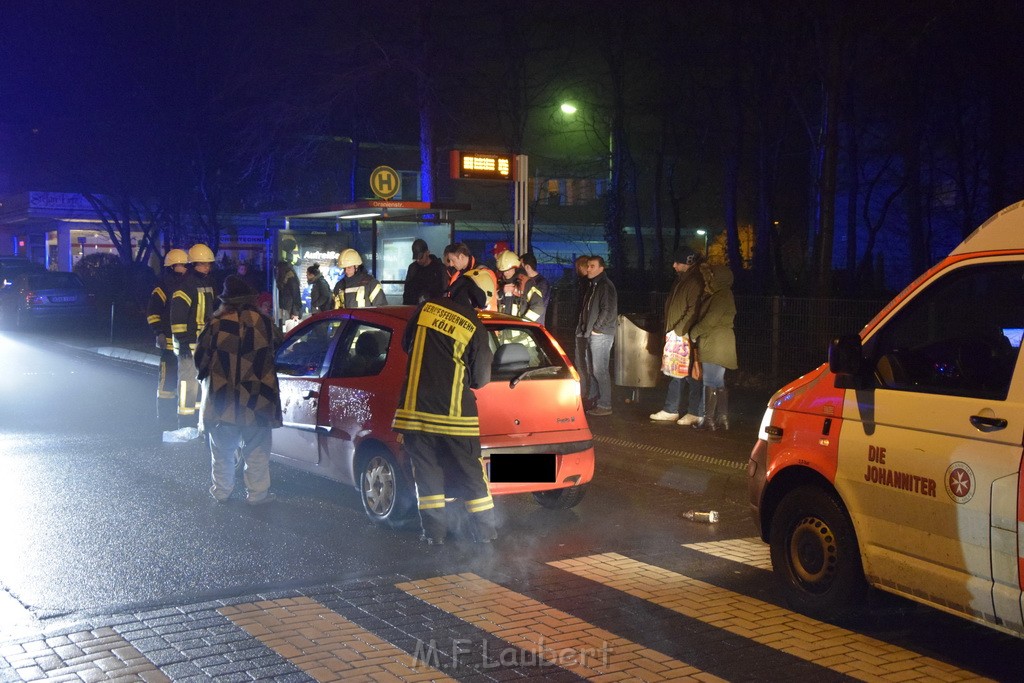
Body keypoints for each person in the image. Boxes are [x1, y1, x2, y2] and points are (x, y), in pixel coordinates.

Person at [393, 269, 496, 545]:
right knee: (472, 474)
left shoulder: (426, 308)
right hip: (455, 418)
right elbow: (481, 379)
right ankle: (485, 534)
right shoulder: (473, 324)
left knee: (426, 476)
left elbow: (406, 345)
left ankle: (434, 534)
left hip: (415, 413)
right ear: (478, 298)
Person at [194, 276, 282, 505]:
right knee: (257, 449)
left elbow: (200, 360)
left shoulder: (215, 324)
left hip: (223, 398)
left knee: (222, 451)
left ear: (226, 300)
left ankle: (222, 491)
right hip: (258, 397)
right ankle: (257, 494)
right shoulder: (264, 322)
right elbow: (278, 350)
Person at [649, 246, 707, 426]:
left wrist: (678, 330)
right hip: (679, 333)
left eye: (678, 262)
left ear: (688, 262)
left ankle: (685, 411)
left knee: (687, 375)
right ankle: (677, 410)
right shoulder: (684, 280)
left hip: (683, 335)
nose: (674, 265)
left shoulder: (693, 282)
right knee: (679, 373)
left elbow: (692, 310)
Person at [170, 243, 217, 430]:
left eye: (209, 264)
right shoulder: (185, 286)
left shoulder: (207, 284)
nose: (208, 267)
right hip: (188, 344)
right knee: (188, 384)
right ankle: (185, 419)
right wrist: (182, 341)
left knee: (202, 383)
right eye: (204, 264)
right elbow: (178, 316)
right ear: (194, 264)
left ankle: (199, 418)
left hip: (204, 343)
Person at [689, 262, 738, 431]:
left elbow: (710, 320)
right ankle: (722, 418)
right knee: (718, 381)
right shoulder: (725, 294)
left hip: (714, 343)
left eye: (710, 278)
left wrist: (694, 332)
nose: (707, 281)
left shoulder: (721, 296)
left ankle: (708, 419)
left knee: (710, 381)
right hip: (722, 343)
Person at [147, 248, 189, 432]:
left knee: (187, 381)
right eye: (180, 265)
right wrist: (159, 332)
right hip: (169, 343)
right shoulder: (162, 287)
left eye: (185, 264)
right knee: (167, 382)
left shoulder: (189, 284)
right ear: (172, 266)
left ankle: (183, 416)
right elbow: (153, 312)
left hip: (186, 342)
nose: (183, 268)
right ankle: (164, 417)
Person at [576, 256, 617, 416]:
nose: (589, 269)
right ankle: (595, 400)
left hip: (600, 334)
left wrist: (597, 329)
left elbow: (607, 309)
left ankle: (605, 404)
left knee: (599, 370)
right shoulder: (595, 285)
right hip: (593, 333)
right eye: (588, 266)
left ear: (601, 268)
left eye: (592, 266)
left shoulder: (604, 286)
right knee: (593, 369)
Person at [444, 242, 498, 310]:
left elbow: (490, 304)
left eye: (452, 260)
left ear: (461, 257)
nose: (451, 264)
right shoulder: (457, 275)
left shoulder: (484, 273)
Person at [572, 255, 592, 405]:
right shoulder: (591, 284)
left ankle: (584, 393)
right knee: (586, 363)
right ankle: (587, 393)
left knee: (582, 363)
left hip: (583, 328)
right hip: (584, 327)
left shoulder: (585, 284)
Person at [402, 238, 446, 305]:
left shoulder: (439, 268)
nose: (418, 260)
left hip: (434, 307)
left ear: (427, 253)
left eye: (421, 257)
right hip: (414, 307)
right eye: (416, 258)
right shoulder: (413, 268)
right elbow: (407, 291)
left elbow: (443, 290)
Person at [517, 252, 549, 325]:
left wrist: (525, 322)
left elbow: (538, 305)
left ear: (527, 267)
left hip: (534, 323)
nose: (519, 269)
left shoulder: (541, 283)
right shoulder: (526, 281)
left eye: (521, 266)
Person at [495, 250, 524, 317]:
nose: (505, 273)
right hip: (502, 323)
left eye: (508, 270)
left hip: (520, 325)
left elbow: (537, 306)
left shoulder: (526, 283)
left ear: (515, 268)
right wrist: (500, 293)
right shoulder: (499, 283)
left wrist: (525, 323)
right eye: (503, 271)